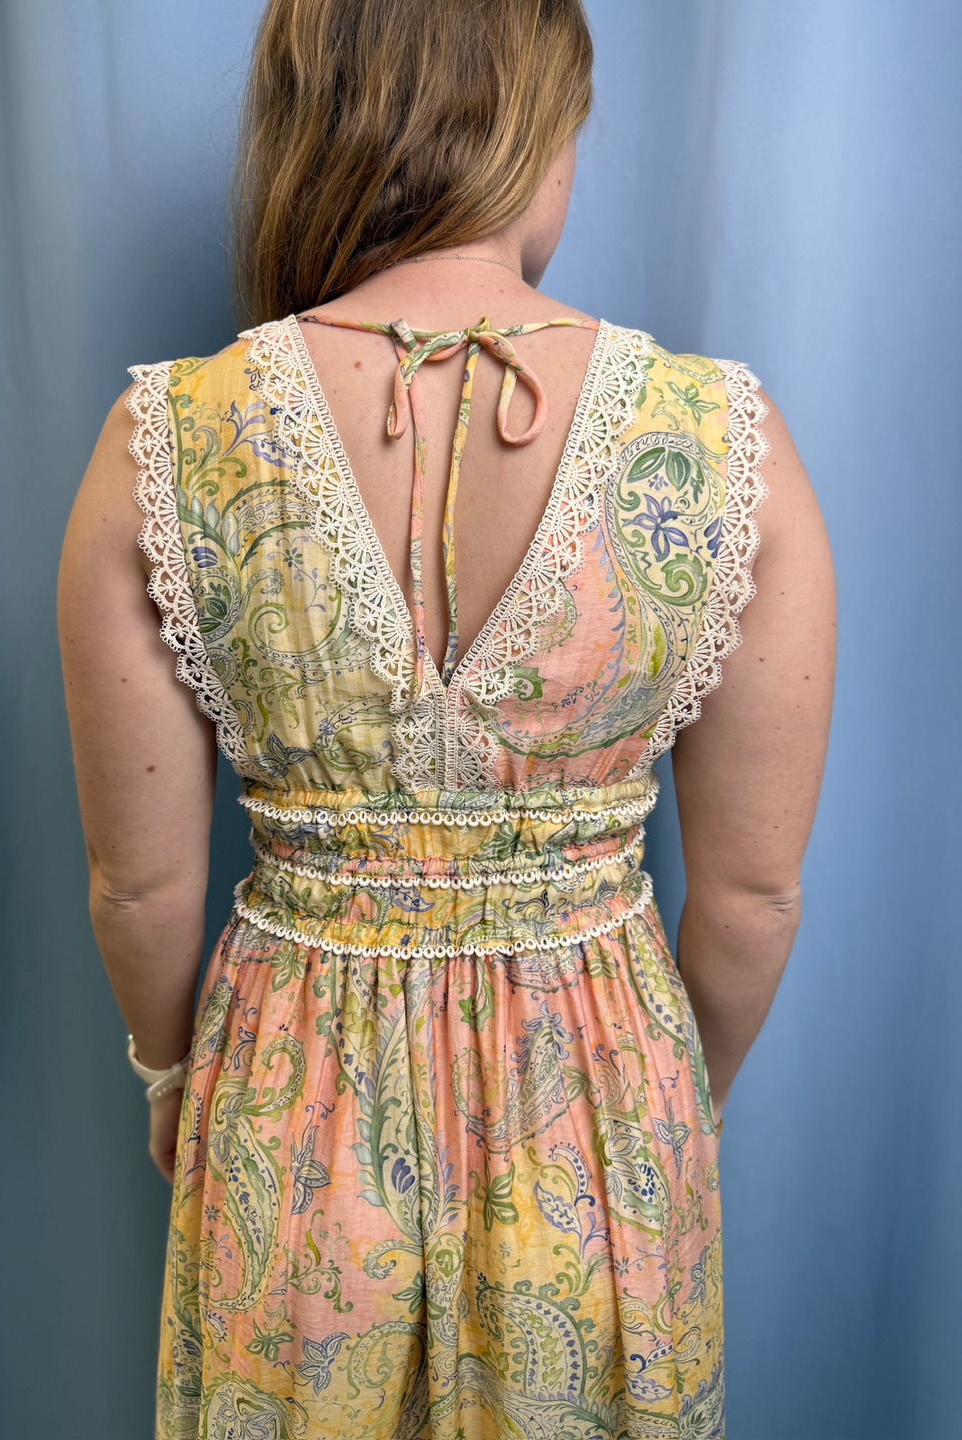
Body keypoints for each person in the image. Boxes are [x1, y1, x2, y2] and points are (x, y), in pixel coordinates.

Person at [57, 1, 835, 1435]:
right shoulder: (723, 442)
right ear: (540, 133)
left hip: (296, 1109)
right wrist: (667, 1094)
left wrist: (175, 1077)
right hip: (599, 1110)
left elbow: (141, 884)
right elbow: (749, 899)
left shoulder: (167, 439)